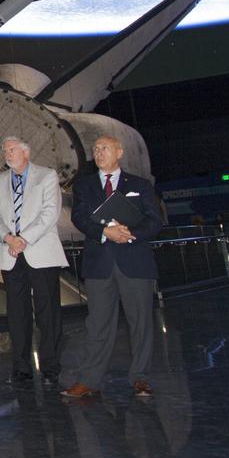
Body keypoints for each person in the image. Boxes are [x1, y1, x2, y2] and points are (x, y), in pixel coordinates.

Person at [61, 135, 164, 399]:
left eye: (104, 148)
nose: (98, 152)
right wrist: (106, 232)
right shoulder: (83, 186)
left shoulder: (140, 185)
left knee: (140, 323)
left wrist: (130, 234)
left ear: (119, 152)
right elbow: (80, 217)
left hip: (135, 262)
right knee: (97, 325)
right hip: (99, 265)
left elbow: (154, 221)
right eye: (95, 149)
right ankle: (89, 381)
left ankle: (140, 378)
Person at [0, 135, 68, 386]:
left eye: (12, 150)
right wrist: (8, 238)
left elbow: (50, 212)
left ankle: (51, 367)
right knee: (17, 314)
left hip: (40, 253)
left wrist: (23, 239)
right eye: (4, 150)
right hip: (11, 255)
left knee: (48, 313)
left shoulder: (47, 175)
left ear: (26, 153)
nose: (7, 154)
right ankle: (21, 368)